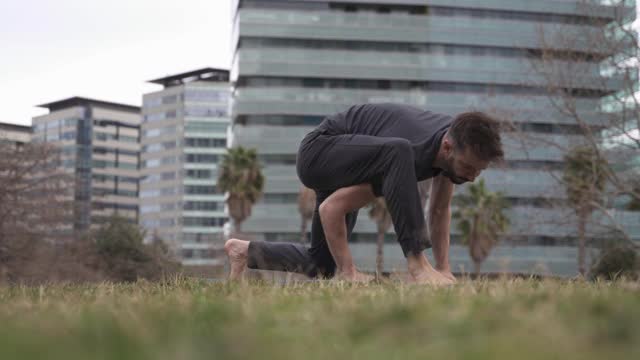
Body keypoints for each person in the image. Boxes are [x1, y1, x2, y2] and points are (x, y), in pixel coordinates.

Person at [224, 103, 503, 284]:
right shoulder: (407, 153)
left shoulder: (452, 143)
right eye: (468, 167)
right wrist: (352, 272)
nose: (472, 175)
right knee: (399, 151)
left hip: (352, 158)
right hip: (319, 151)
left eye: (479, 170)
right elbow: (331, 208)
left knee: (320, 265)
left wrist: (444, 270)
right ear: (447, 148)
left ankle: (243, 251)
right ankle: (415, 263)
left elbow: (440, 210)